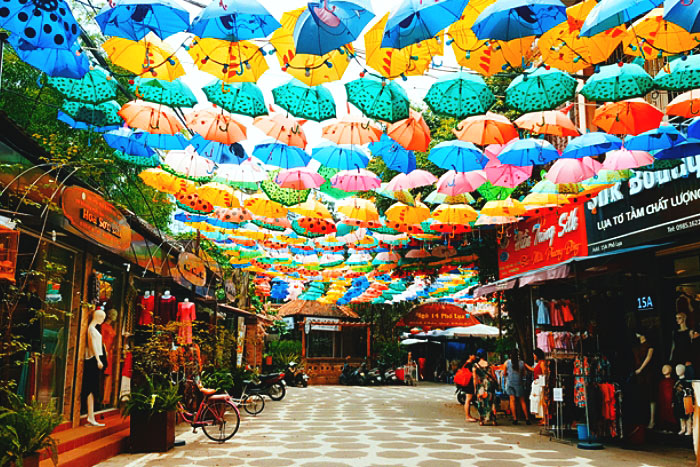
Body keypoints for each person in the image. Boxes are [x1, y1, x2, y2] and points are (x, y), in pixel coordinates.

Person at [505, 348, 530, 425]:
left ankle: (515, 418)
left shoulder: (507, 362)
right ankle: (527, 418)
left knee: (512, 400)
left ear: (510, 355)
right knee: (522, 401)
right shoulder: (522, 363)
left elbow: (505, 373)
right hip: (519, 383)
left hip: (510, 383)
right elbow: (524, 374)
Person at [473, 348, 498, 426]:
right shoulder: (490, 365)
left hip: (481, 386)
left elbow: (475, 378)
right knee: (491, 401)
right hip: (490, 385)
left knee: (481, 402)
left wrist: (474, 388)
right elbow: (494, 376)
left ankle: (482, 420)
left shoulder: (475, 366)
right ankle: (493, 420)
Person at [526, 348, 549, 425]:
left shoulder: (542, 363)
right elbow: (534, 370)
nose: (534, 357)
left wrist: (543, 385)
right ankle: (543, 418)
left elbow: (544, 374)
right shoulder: (539, 363)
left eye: (534, 355)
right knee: (539, 401)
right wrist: (526, 365)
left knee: (542, 401)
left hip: (540, 383)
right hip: (537, 383)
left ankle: (545, 419)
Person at [461, 353, 478, 422]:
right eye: (474, 355)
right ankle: (467, 416)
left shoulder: (466, 363)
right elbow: (473, 376)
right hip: (469, 384)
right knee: (468, 400)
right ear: (470, 355)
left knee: (468, 400)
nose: (475, 357)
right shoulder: (470, 365)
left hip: (466, 383)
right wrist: (475, 386)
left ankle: (469, 415)